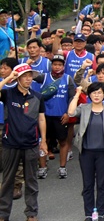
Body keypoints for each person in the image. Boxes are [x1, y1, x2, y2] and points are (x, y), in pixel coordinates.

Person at [0, 64, 47, 221]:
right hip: (10, 143)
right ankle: (3, 213)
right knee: (7, 181)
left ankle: (31, 213)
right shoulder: (8, 93)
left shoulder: (37, 96)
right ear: (18, 78)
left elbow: (41, 118)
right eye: (24, 76)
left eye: (30, 76)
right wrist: (8, 78)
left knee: (32, 181)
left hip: (31, 143)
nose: (28, 79)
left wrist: (44, 141)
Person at [68, 82, 104, 221]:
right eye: (94, 93)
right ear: (89, 95)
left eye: (99, 92)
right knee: (88, 183)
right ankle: (89, 213)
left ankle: (101, 212)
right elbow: (71, 112)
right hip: (86, 152)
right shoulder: (84, 108)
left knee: (102, 184)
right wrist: (77, 94)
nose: (97, 95)